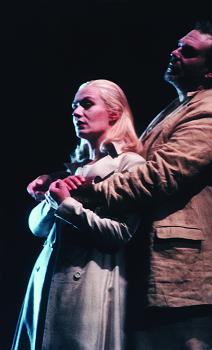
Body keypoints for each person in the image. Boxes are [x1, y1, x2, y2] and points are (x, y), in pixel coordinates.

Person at [26, 21, 212, 349]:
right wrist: (59, 182)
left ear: (211, 71)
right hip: (159, 276)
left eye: (189, 51)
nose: (175, 52)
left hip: (186, 278)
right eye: (178, 45)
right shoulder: (179, 109)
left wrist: (87, 191)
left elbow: (159, 176)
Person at [11, 79, 145, 350]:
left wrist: (68, 205)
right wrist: (54, 198)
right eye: (74, 106)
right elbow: (36, 227)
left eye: (86, 104)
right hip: (47, 278)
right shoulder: (74, 168)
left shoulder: (129, 164)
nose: (76, 112)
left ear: (114, 112)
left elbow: (120, 233)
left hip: (90, 280)